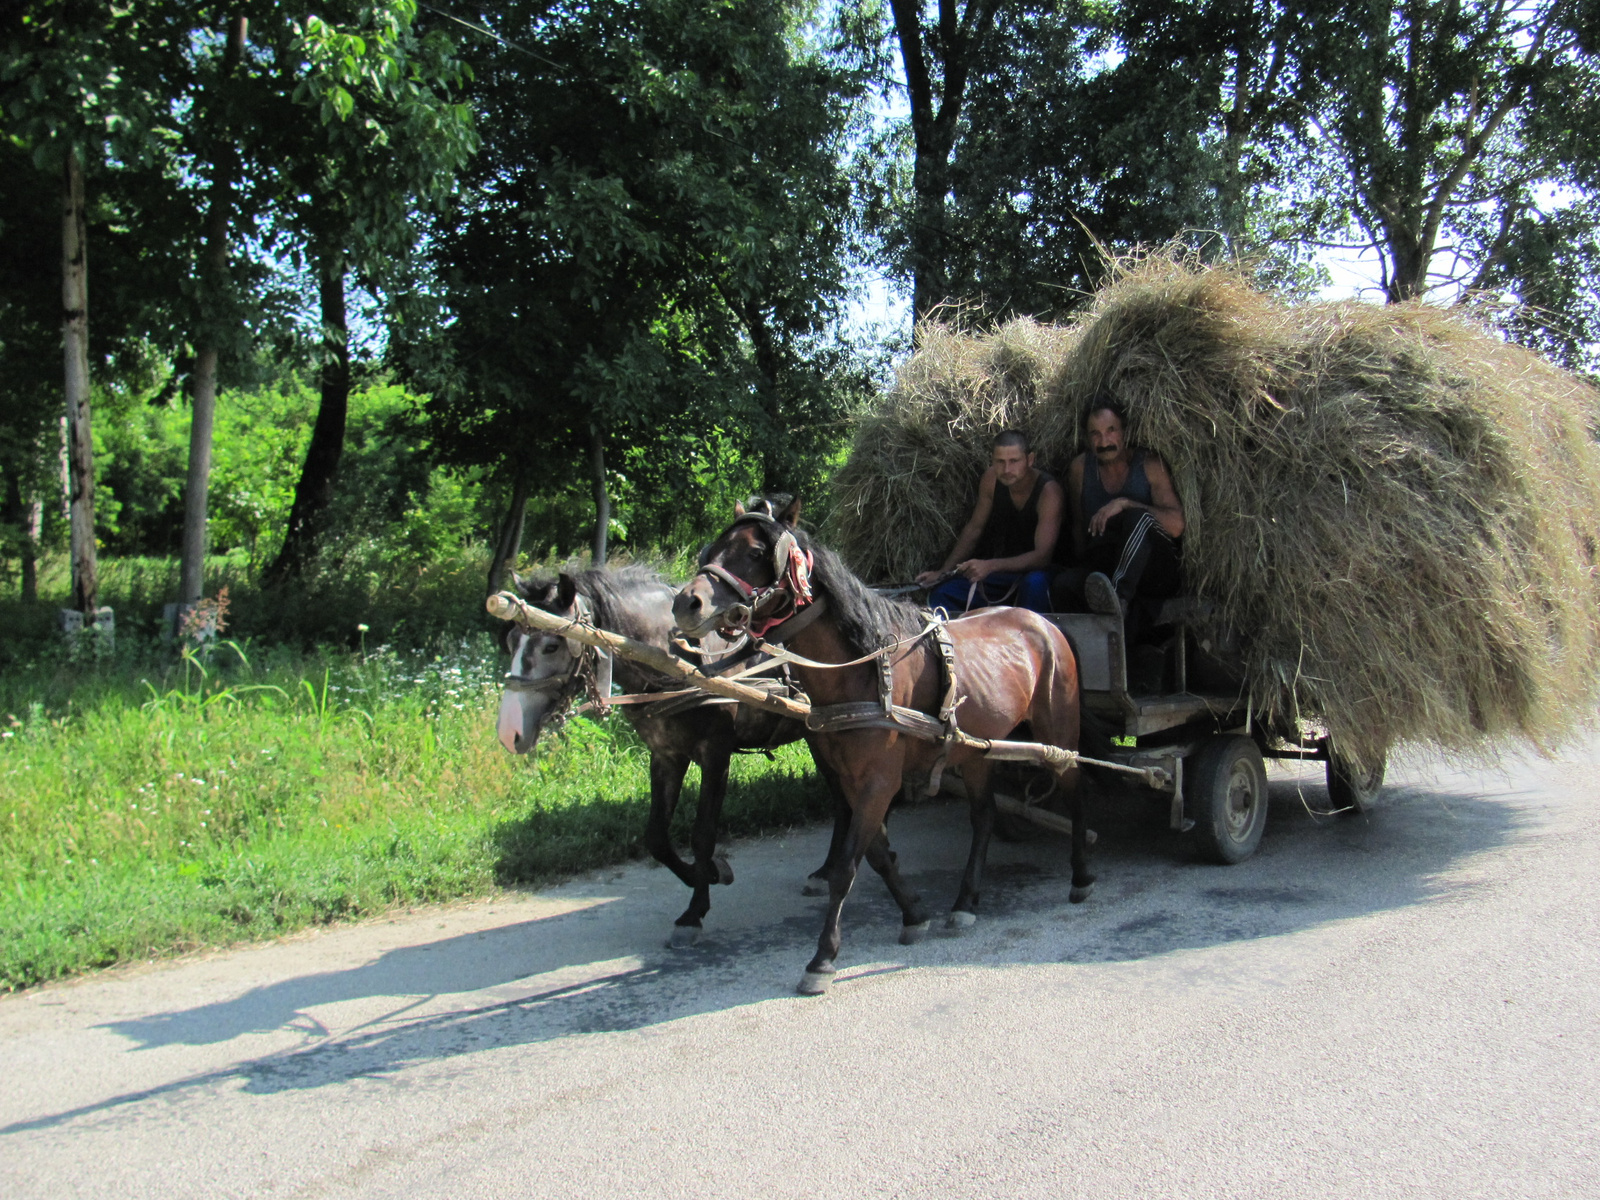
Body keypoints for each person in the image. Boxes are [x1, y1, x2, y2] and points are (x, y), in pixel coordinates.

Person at [1053, 398, 1185, 635]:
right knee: (1064, 586)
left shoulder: (1150, 465)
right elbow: (1079, 526)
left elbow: (1177, 526)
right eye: (1095, 434)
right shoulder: (1081, 469)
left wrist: (1125, 504)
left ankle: (1117, 600)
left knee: (1138, 518)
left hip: (1151, 568)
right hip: (1107, 563)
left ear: (1124, 431)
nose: (1104, 442)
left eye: (1111, 430)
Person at [914, 430, 1064, 614]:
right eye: (1000, 462)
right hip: (1002, 575)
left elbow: (1042, 557)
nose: (1007, 469)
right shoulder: (991, 479)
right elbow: (974, 529)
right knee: (943, 594)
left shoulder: (1048, 492)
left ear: (1030, 460)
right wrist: (943, 573)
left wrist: (989, 565)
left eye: (1014, 461)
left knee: (1033, 586)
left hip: (1040, 574)